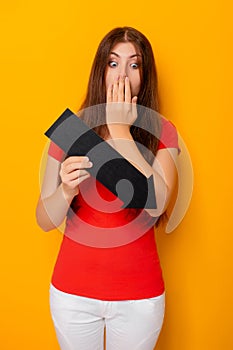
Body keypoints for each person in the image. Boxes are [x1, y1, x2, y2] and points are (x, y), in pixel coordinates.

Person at [36, 26, 179, 350]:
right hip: (72, 294)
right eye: (113, 63)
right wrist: (65, 192)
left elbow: (156, 205)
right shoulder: (73, 131)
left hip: (139, 298)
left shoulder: (162, 132)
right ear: (100, 71)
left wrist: (120, 131)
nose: (123, 74)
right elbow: (44, 219)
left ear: (145, 75)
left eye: (134, 64)